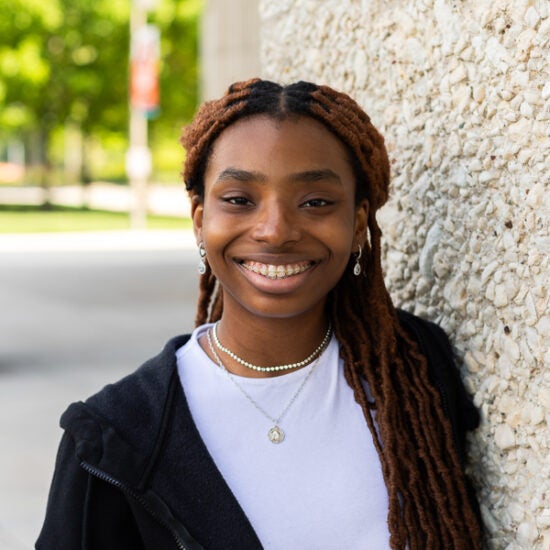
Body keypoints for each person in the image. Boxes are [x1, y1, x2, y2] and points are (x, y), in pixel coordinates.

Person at [37, 79, 483, 549]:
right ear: (199, 220)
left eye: (315, 202)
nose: (275, 231)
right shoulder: (115, 439)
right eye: (238, 200)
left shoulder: (415, 373)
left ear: (356, 225)